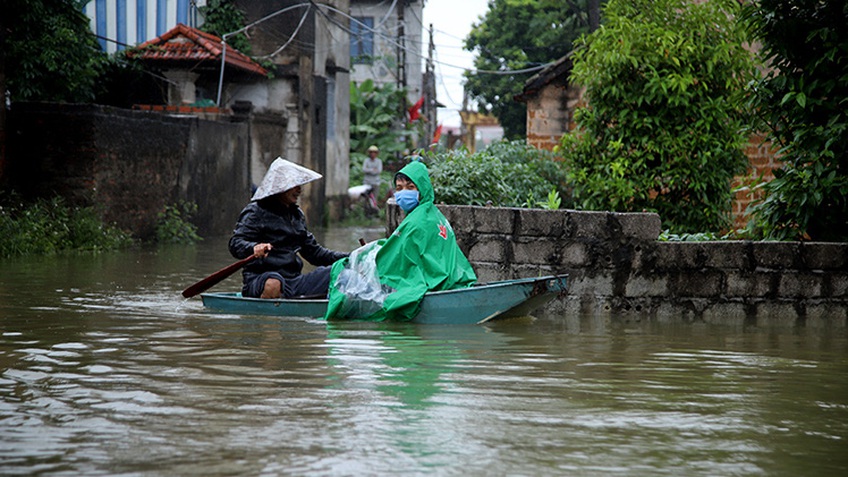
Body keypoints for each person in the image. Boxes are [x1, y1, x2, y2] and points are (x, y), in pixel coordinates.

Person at [324, 160, 477, 321]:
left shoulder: (415, 222)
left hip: (428, 282)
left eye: (410, 188)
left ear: (422, 188)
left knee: (342, 274)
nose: (404, 193)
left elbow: (394, 262)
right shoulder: (433, 214)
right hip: (453, 279)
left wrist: (369, 258)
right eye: (399, 188)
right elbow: (402, 249)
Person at [229, 157, 348, 299]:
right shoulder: (255, 211)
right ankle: (268, 316)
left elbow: (315, 253)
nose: (299, 190)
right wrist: (254, 248)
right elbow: (235, 243)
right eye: (294, 185)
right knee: (273, 282)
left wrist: (351, 257)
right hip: (260, 279)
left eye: (299, 185)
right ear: (280, 186)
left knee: (338, 272)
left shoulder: (296, 215)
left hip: (293, 281)